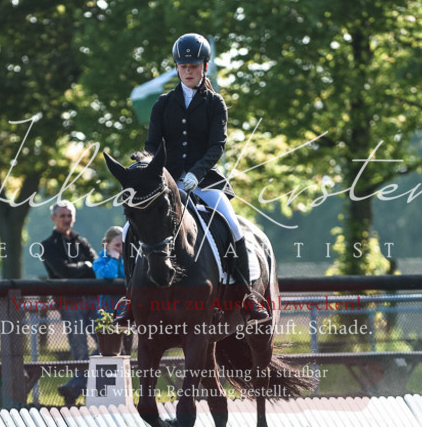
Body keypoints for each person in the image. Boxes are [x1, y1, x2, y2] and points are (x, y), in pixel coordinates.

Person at [114, 31, 269, 325]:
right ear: (177, 68)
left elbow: (216, 146)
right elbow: (151, 145)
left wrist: (196, 174)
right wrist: (149, 170)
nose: (188, 71)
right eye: (183, 67)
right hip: (165, 183)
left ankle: (247, 297)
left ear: (204, 67)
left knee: (233, 225)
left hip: (206, 180)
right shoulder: (162, 103)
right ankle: (130, 300)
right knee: (127, 231)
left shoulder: (215, 103)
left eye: (194, 66)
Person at [40, 200, 97, 407]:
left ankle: (76, 386)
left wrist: (84, 267)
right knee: (79, 348)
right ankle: (76, 390)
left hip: (92, 299)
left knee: (107, 341)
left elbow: (97, 265)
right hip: (69, 302)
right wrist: (86, 266)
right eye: (62, 215)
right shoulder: (47, 246)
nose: (66, 219)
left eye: (69, 215)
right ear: (53, 218)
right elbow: (63, 272)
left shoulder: (81, 241)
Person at [93, 226, 132, 354]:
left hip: (125, 310)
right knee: (109, 347)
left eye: (123, 245)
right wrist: (114, 259)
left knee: (126, 346)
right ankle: (91, 369)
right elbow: (109, 275)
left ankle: (126, 372)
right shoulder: (99, 262)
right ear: (107, 245)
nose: (121, 249)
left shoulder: (128, 261)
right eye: (117, 245)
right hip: (107, 312)